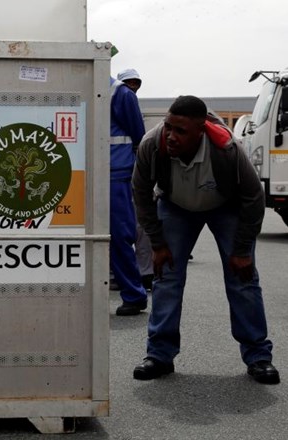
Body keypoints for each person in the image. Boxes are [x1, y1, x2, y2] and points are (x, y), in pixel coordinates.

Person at [131, 95, 279, 384]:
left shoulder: (227, 149)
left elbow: (254, 197)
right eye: (169, 126)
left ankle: (259, 357)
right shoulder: (153, 144)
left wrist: (241, 250)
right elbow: (141, 194)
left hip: (226, 205)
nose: (171, 136)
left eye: (181, 131)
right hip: (175, 206)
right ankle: (159, 355)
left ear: (201, 131)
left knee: (243, 279)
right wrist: (157, 245)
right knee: (167, 278)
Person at [109, 72, 148, 315]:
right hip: (92, 169)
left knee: (119, 234)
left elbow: (139, 138)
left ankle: (134, 293)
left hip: (115, 170)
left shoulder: (119, 92)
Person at [117, 68, 153, 291]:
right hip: (119, 173)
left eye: (136, 83)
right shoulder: (121, 99)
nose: (133, 87)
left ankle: (145, 272)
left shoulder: (128, 102)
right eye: (129, 83)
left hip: (131, 172)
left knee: (141, 225)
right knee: (123, 227)